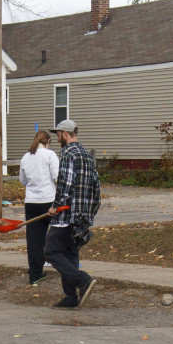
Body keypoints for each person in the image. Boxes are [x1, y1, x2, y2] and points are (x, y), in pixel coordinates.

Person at [44, 119, 99, 309]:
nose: (57, 137)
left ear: (65, 134)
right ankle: (71, 297)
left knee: (50, 251)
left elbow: (65, 184)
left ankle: (83, 280)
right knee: (69, 254)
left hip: (66, 215)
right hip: (81, 216)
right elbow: (96, 188)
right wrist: (90, 213)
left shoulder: (68, 153)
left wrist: (55, 206)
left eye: (58, 134)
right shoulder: (86, 155)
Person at [19, 129, 60, 286]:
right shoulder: (50, 155)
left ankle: (35, 274)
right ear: (48, 141)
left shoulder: (25, 157)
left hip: (31, 201)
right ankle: (63, 264)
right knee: (58, 234)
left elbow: (23, 181)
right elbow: (57, 177)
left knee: (34, 239)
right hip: (49, 200)